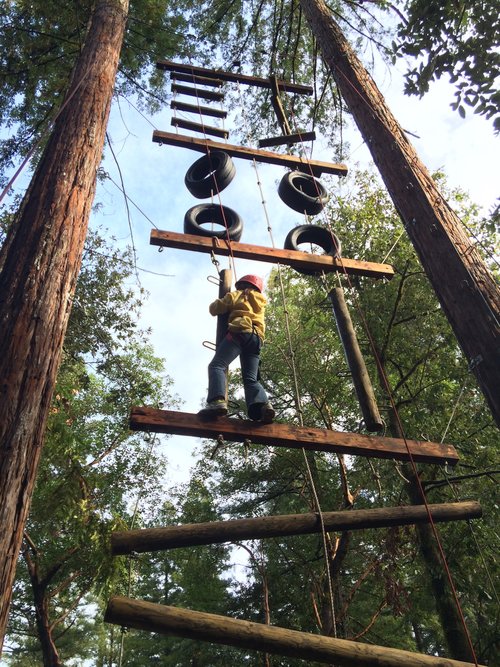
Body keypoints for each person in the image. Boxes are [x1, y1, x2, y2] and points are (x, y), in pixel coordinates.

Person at [199, 274, 275, 423]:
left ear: (242, 286)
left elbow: (214, 309)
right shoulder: (261, 302)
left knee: (217, 366)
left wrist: (225, 298)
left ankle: (217, 401)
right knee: (251, 379)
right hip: (256, 339)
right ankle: (264, 406)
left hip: (240, 332)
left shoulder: (237, 295)